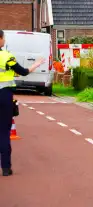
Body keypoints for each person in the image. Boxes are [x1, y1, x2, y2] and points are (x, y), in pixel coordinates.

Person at [0, 30, 45, 176]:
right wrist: (36, 64)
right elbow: (23, 72)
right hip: (4, 95)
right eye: (4, 38)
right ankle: (6, 168)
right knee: (4, 132)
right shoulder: (6, 56)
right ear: (0, 39)